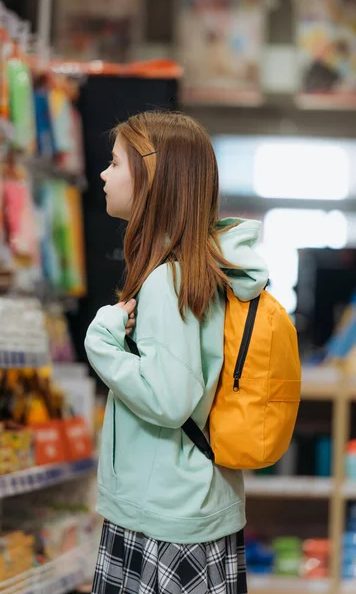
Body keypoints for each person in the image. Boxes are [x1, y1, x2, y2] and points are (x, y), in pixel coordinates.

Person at [85, 111, 268, 594]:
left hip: (164, 513)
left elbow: (170, 399)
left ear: (152, 178)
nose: (103, 175)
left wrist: (101, 342)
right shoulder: (202, 268)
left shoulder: (168, 280)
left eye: (115, 163)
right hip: (195, 502)